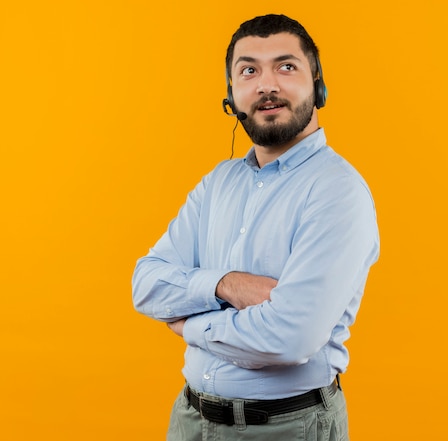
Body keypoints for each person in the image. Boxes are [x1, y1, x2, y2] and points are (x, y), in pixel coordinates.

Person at [132, 13, 379, 441]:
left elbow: (289, 337)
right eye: (249, 71)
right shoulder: (218, 182)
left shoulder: (338, 191)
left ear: (317, 84)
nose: (267, 85)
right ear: (232, 95)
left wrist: (188, 323)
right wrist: (227, 284)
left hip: (288, 427)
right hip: (190, 419)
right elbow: (146, 284)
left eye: (286, 66)